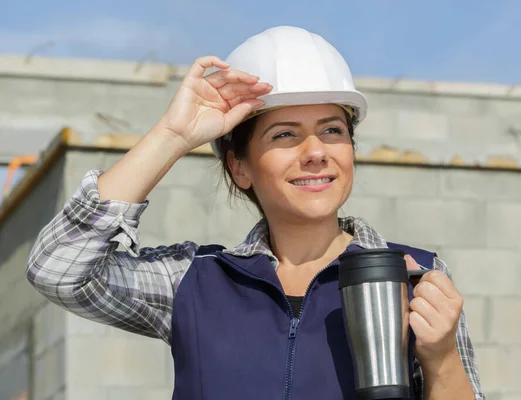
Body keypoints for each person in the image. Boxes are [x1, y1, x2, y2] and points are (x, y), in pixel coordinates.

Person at [26, 26, 485, 399]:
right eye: (285, 135)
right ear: (239, 166)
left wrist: (441, 358)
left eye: (332, 130)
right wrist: (173, 134)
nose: (315, 152)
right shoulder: (192, 282)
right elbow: (58, 269)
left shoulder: (414, 276)